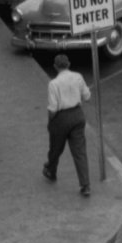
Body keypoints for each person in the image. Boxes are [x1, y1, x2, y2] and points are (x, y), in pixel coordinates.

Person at [43, 54, 92, 197]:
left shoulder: (54, 84)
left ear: (55, 67)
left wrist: (50, 122)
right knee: (80, 152)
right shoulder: (78, 77)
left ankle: (51, 170)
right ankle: (85, 185)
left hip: (61, 118)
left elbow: (53, 108)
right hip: (77, 116)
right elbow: (87, 96)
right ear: (69, 64)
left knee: (55, 148)